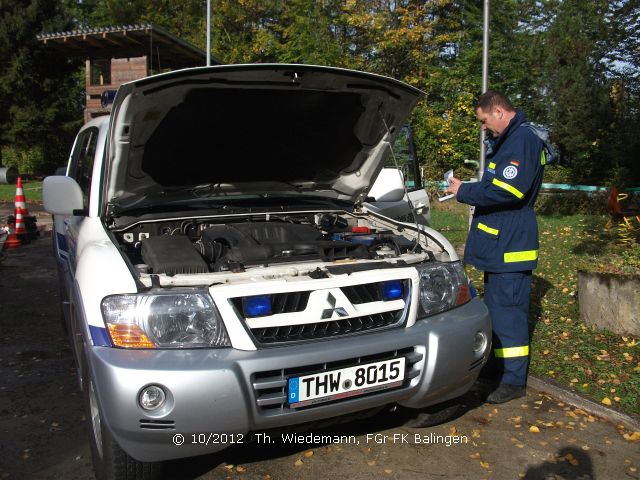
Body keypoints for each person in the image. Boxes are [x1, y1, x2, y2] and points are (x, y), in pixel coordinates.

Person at [445, 90, 545, 404]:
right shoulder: (513, 140)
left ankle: (513, 381)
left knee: (510, 315)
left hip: (511, 243)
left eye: (485, 121)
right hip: (503, 242)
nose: (485, 128)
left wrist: (463, 191)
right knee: (498, 312)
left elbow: (506, 190)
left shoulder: (521, 141)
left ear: (499, 110)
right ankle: (497, 369)